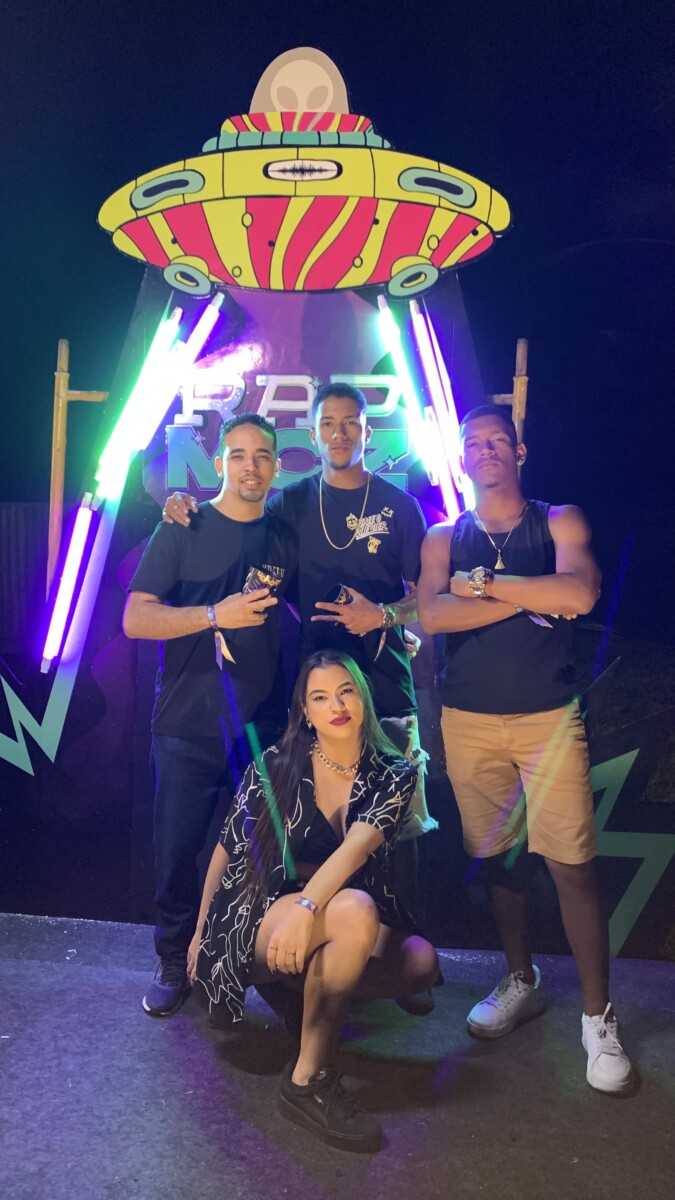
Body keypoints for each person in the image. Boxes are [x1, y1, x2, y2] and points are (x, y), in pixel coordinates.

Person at [417, 404, 633, 1095]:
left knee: (571, 866)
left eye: (496, 440)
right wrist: (534, 596)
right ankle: (521, 981)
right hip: (468, 720)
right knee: (500, 861)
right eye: (472, 443)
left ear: (519, 451)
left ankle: (597, 1018)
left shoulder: (557, 519)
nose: (484, 450)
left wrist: (483, 586)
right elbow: (432, 613)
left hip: (548, 720)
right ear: (461, 458)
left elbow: (580, 593)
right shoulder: (443, 535)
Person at [164, 383, 437, 906]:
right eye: (328, 424)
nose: (339, 433)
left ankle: (400, 942)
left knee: (398, 829)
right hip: (317, 699)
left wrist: (383, 616)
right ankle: (333, 938)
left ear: (368, 432)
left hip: (386, 693)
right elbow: (240, 525)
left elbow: (430, 598)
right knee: (325, 829)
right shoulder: (289, 504)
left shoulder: (400, 507)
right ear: (313, 436)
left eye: (350, 423)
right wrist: (183, 506)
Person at [188, 650, 439, 1153]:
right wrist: (199, 932)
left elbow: (356, 848)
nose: (337, 706)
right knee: (353, 911)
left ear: (363, 697)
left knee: (421, 963)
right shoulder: (276, 763)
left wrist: (308, 910)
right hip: (257, 913)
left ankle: (297, 993)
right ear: (305, 710)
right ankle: (308, 1079)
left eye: (346, 692)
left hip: (322, 915)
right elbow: (225, 849)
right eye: (321, 697)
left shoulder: (394, 771)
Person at [123, 413, 296, 1018]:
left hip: (261, 727)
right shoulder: (182, 525)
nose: (251, 465)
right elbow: (136, 619)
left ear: (276, 467)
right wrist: (213, 615)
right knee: (177, 854)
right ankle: (174, 960)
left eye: (263, 456)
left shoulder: (284, 535)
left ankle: (251, 965)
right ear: (219, 463)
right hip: (187, 724)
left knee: (262, 856)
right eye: (239, 455)